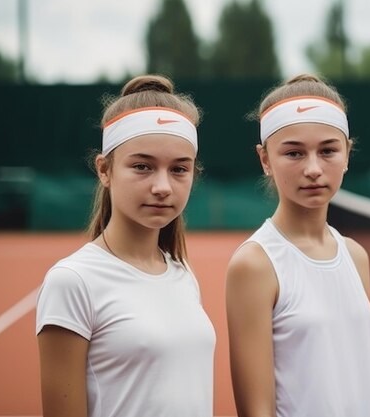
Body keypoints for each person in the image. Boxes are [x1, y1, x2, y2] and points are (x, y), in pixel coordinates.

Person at [36, 75, 215, 417]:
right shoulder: (72, 281)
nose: (163, 186)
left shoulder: (182, 274)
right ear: (104, 170)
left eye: (179, 169)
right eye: (142, 166)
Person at [226, 74, 370, 417]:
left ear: (347, 155)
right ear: (265, 159)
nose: (313, 168)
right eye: (294, 153)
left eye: (328, 150)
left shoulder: (356, 257)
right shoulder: (254, 265)